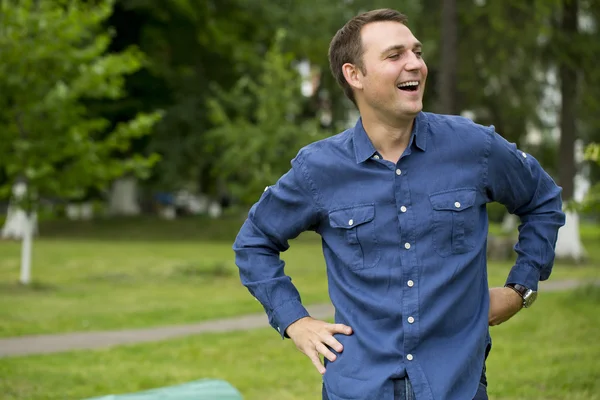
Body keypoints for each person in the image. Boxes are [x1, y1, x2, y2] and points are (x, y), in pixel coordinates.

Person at [233, 8, 565, 400]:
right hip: (358, 388)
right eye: (395, 55)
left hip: (457, 385)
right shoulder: (318, 169)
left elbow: (543, 200)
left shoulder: (474, 147)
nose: (416, 65)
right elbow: (254, 243)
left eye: (417, 52)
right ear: (354, 75)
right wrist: (295, 321)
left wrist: (520, 287)